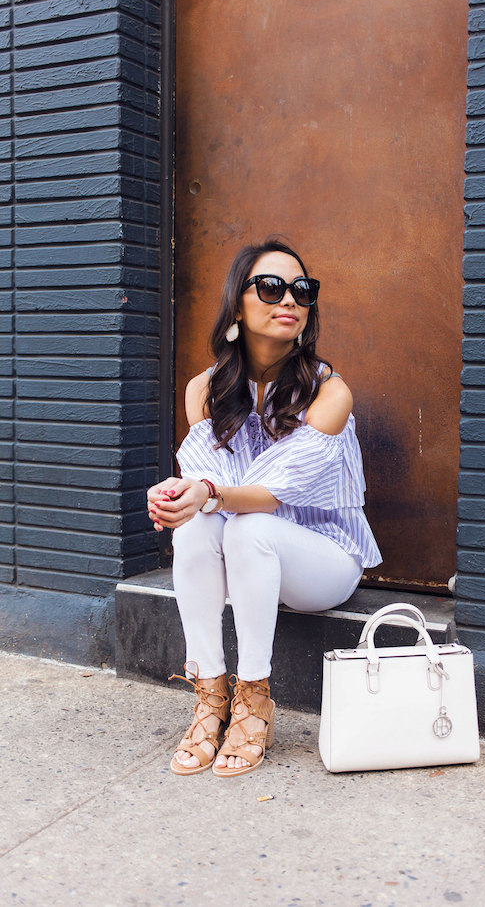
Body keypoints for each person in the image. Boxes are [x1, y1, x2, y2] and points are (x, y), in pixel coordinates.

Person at [147, 239, 382, 777]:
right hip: (245, 550)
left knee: (248, 523)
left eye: (303, 290)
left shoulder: (330, 392)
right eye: (272, 287)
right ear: (237, 306)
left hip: (323, 561)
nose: (290, 300)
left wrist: (206, 491)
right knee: (194, 529)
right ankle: (210, 694)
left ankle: (254, 698)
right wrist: (179, 496)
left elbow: (269, 495)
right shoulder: (204, 391)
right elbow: (213, 492)